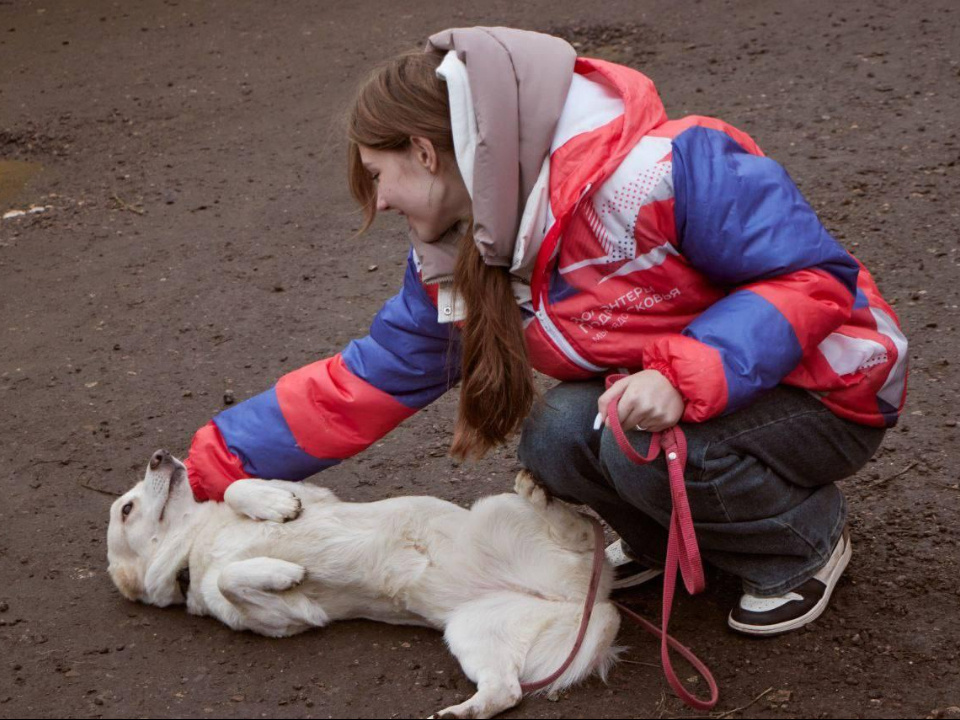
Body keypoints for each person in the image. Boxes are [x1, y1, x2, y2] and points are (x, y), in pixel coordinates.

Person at [183, 27, 908, 636]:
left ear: (426, 153)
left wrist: (682, 372)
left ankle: (803, 544)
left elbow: (810, 281)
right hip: (698, 401)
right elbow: (372, 378)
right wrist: (217, 466)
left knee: (643, 445)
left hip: (826, 387)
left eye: (378, 175)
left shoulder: (664, 168)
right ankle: (670, 539)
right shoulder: (467, 249)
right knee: (556, 431)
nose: (379, 200)